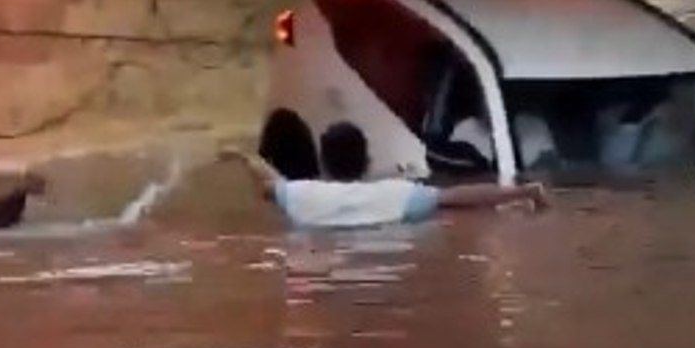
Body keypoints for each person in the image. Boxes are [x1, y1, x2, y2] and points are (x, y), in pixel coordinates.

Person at [220, 121, 548, 229]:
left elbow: (268, 182)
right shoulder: (398, 195)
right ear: (367, 160)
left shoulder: (302, 196)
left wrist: (242, 156)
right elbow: (465, 196)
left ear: (323, 161)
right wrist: (523, 192)